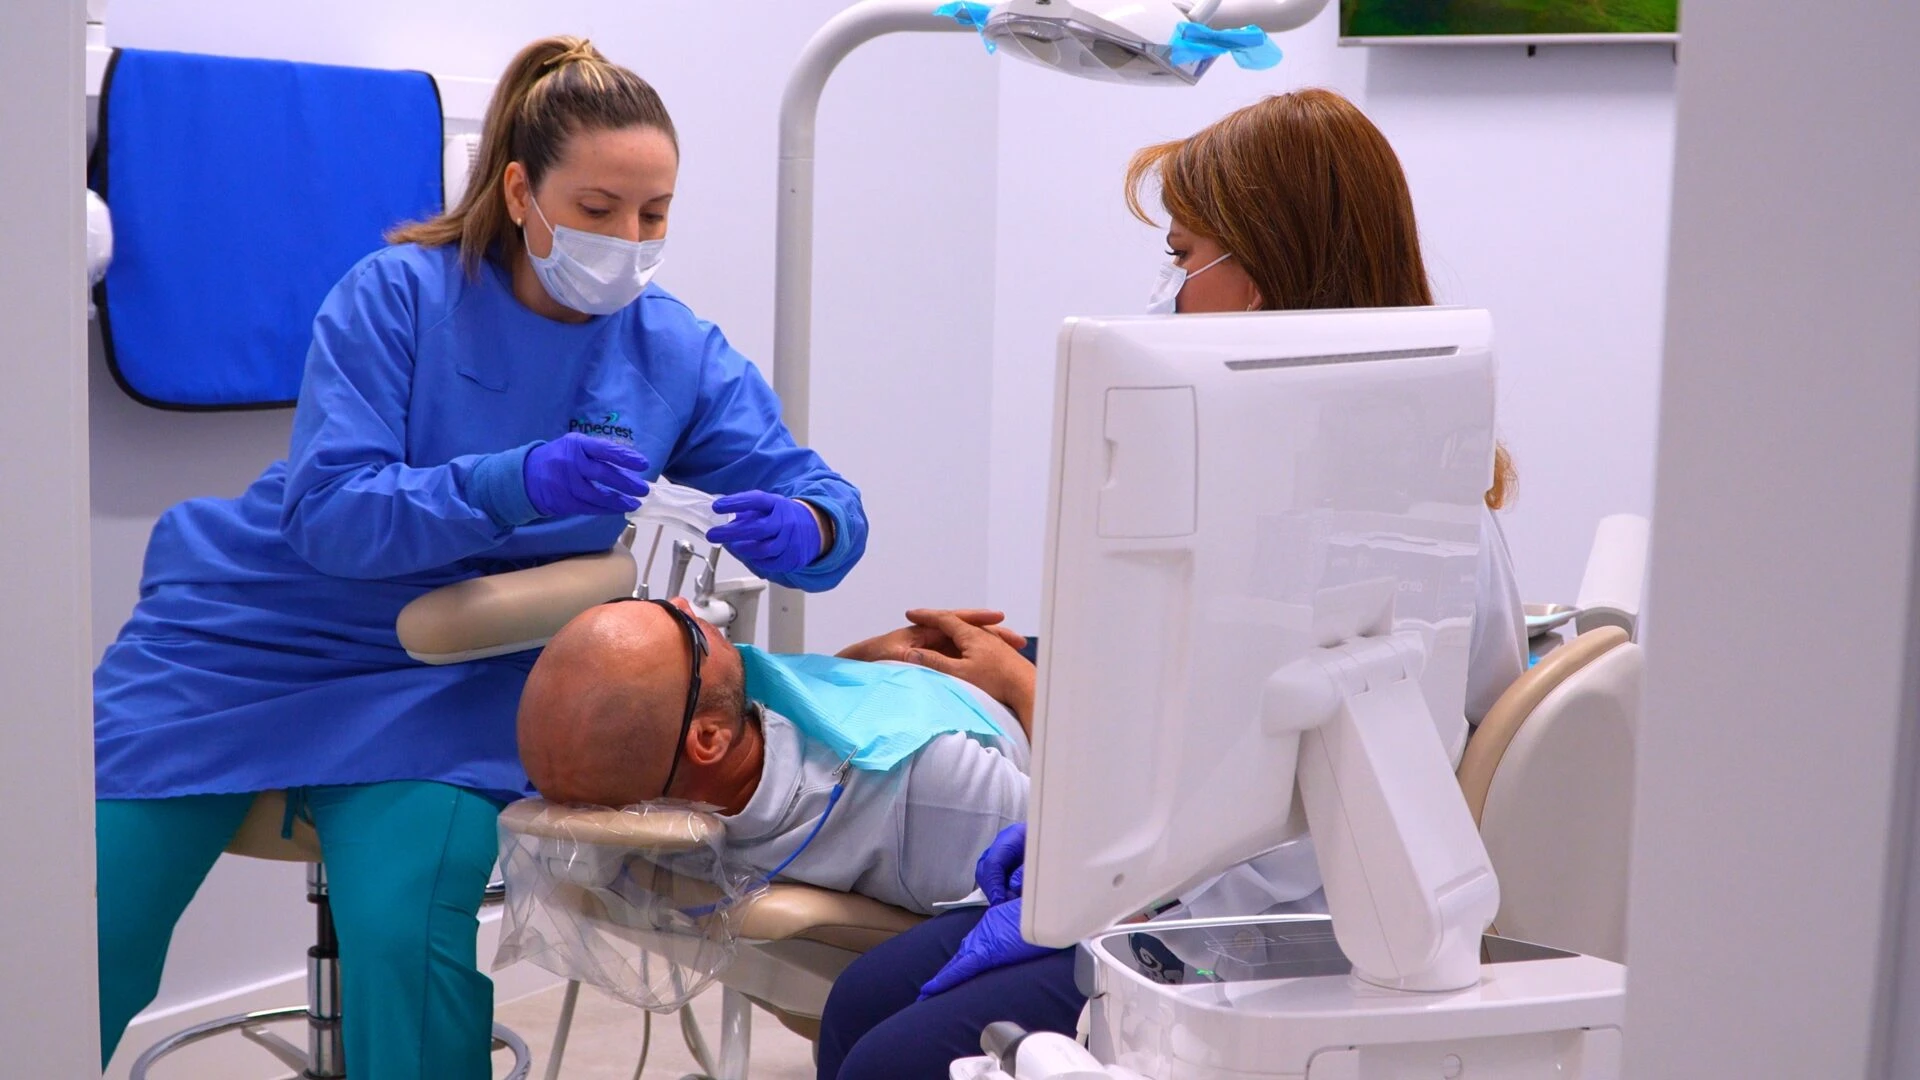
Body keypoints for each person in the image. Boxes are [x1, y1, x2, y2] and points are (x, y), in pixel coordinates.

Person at [91, 37, 867, 1078]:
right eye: (597, 210)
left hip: (455, 678)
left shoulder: (673, 350)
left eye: (654, 214)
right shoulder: (395, 297)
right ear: (519, 190)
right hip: (248, 638)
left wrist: (809, 528)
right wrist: (515, 482)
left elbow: (823, 502)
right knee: (88, 930)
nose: (629, 241)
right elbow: (330, 515)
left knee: (406, 930)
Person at [814, 87, 1528, 1080]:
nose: (1170, 291)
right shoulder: (1370, 486)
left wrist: (1029, 698)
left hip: (1270, 931)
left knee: (890, 1062)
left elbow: (1253, 799)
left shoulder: (1359, 518)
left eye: (1184, 257)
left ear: (1267, 275)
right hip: (1215, 893)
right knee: (857, 1004)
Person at [517, 600, 1037, 913]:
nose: (689, 602)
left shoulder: (680, 791)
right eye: (688, 630)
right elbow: (1087, 836)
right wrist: (1020, 677)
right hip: (1038, 724)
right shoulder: (935, 793)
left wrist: (863, 665)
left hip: (940, 692)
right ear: (708, 740)